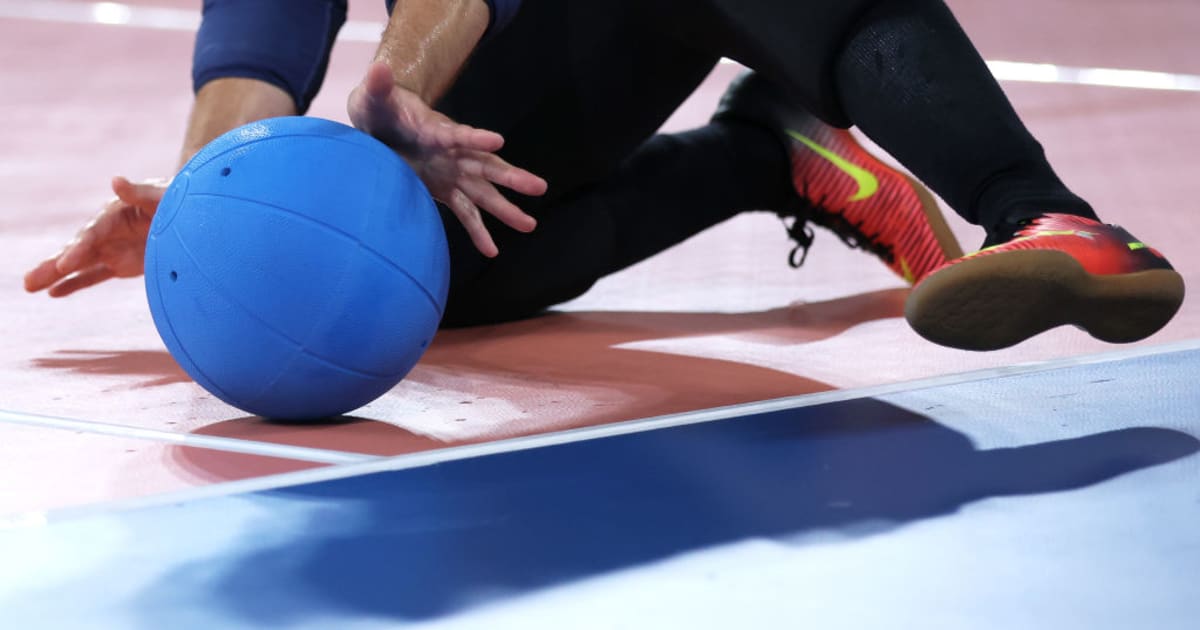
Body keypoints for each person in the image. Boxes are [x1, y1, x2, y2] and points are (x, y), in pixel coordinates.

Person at [24, 0, 1183, 352]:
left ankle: (1047, 222)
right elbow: (258, 43)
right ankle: (759, 151)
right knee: (402, 276)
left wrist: (400, 71)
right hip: (553, 47)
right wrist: (206, 214)